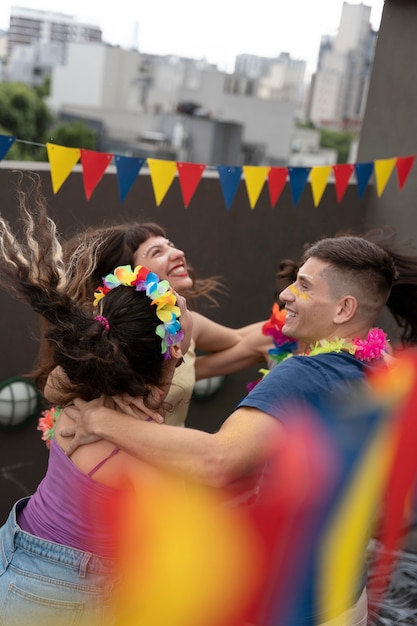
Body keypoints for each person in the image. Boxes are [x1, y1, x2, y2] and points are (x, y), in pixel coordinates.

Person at [63, 231, 417, 625]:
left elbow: (218, 460)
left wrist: (99, 420)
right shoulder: (381, 366)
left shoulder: (301, 375)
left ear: (343, 309)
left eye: (303, 285)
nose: (286, 295)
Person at [0, 175, 193, 625]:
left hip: (20, 554)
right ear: (176, 351)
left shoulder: (85, 397)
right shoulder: (142, 454)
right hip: (52, 593)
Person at [40, 220, 272, 427]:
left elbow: (241, 339)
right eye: (157, 252)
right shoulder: (113, 335)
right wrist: (107, 388)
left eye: (171, 245)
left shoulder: (188, 322)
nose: (178, 253)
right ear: (127, 276)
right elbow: (53, 387)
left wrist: (293, 320)